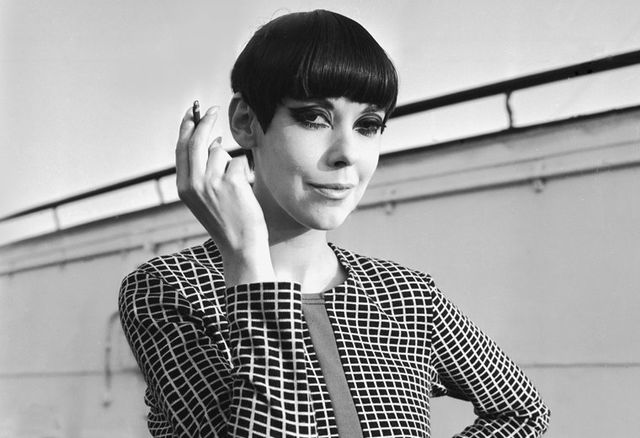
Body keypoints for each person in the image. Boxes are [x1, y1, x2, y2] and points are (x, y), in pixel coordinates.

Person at [119, 9, 550, 438]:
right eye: (313, 117)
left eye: (368, 125)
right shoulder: (167, 291)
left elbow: (522, 412)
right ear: (246, 122)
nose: (347, 153)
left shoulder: (408, 297)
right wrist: (249, 263)